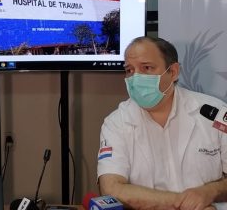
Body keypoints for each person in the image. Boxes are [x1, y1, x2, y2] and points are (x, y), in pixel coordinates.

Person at [97, 36, 227, 210]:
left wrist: (210, 192)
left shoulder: (215, 113)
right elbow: (111, 189)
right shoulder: (116, 122)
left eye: (147, 68)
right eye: (129, 70)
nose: (135, 78)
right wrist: (186, 202)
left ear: (173, 72)